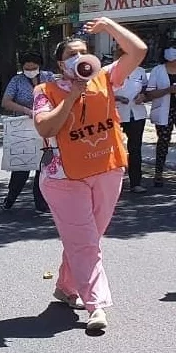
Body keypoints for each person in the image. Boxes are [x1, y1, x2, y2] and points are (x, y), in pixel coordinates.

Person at [32, 18, 147, 331]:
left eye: (83, 51)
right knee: (85, 243)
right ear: (60, 62)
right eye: (72, 53)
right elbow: (46, 127)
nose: (79, 57)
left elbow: (138, 50)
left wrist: (109, 25)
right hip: (64, 178)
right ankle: (97, 305)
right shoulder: (45, 90)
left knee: (88, 238)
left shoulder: (107, 78)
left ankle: (66, 287)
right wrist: (71, 96)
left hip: (107, 169)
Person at [1, 52, 55, 211]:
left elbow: (57, 97)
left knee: (44, 165)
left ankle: (41, 202)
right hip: (23, 128)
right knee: (22, 166)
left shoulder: (48, 77)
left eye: (34, 68)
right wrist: (27, 110)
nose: (30, 70)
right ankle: (11, 197)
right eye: (27, 68)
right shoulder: (16, 80)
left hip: (45, 125)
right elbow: (6, 102)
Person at [112, 46, 149, 194]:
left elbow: (146, 90)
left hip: (137, 114)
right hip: (115, 114)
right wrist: (116, 98)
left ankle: (136, 183)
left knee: (135, 149)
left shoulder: (140, 72)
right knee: (114, 149)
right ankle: (114, 183)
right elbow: (101, 93)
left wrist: (143, 96)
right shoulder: (110, 72)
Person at [145, 40, 176, 187]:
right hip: (165, 110)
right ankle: (158, 173)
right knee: (163, 141)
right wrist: (167, 90)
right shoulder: (158, 70)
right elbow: (150, 94)